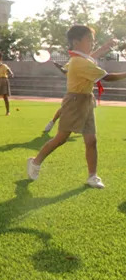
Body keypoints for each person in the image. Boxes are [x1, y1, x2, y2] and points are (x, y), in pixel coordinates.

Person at [28, 26, 124, 188]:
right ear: (76, 42)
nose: (93, 43)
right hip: (74, 102)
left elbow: (91, 57)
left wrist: (105, 47)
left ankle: (92, 176)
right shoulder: (79, 62)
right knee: (61, 138)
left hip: (86, 101)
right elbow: (107, 77)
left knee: (91, 141)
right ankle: (35, 162)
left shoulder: (80, 59)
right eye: (89, 40)